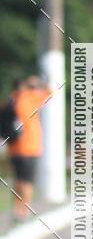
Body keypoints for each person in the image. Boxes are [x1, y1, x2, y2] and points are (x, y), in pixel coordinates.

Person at [6, 75, 51, 222]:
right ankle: (24, 210)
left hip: (13, 147)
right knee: (27, 181)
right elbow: (49, 93)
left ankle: (16, 209)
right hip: (30, 148)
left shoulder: (11, 99)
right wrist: (37, 83)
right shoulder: (31, 97)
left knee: (18, 180)